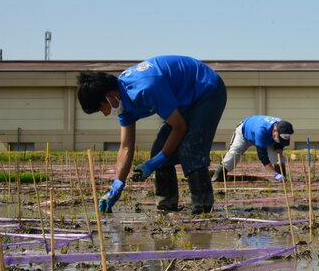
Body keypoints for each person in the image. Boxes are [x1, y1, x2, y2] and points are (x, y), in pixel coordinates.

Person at [77, 55, 226, 214]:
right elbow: (126, 147)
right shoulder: (121, 102)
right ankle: (166, 207)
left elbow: (179, 127)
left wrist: (156, 161)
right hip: (184, 100)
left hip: (207, 90)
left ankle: (202, 209)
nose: (105, 114)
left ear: (110, 96)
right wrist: (117, 185)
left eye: (101, 109)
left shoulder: (145, 88)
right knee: (158, 150)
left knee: (190, 150)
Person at [211, 115, 294, 183]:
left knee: (277, 157)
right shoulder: (261, 131)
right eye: (279, 138)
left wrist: (279, 162)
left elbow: (280, 147)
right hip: (244, 133)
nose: (281, 140)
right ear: (274, 131)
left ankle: (282, 180)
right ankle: (218, 177)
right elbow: (263, 157)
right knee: (234, 154)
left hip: (265, 136)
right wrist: (274, 174)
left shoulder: (283, 128)